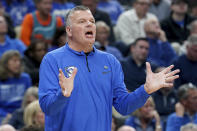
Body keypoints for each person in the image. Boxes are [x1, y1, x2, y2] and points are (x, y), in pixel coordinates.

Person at [38, 5, 180, 131]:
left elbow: (124, 107)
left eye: (92, 21)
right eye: (82, 21)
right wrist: (63, 95)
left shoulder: (110, 61)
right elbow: (47, 108)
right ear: (69, 30)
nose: (89, 24)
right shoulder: (52, 59)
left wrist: (146, 90)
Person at [0, 50, 32, 124]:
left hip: (22, 113)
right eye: (14, 61)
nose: (18, 63)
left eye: (19, 61)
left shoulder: (25, 78)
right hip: (3, 115)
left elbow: (29, 99)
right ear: (5, 63)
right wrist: (5, 114)